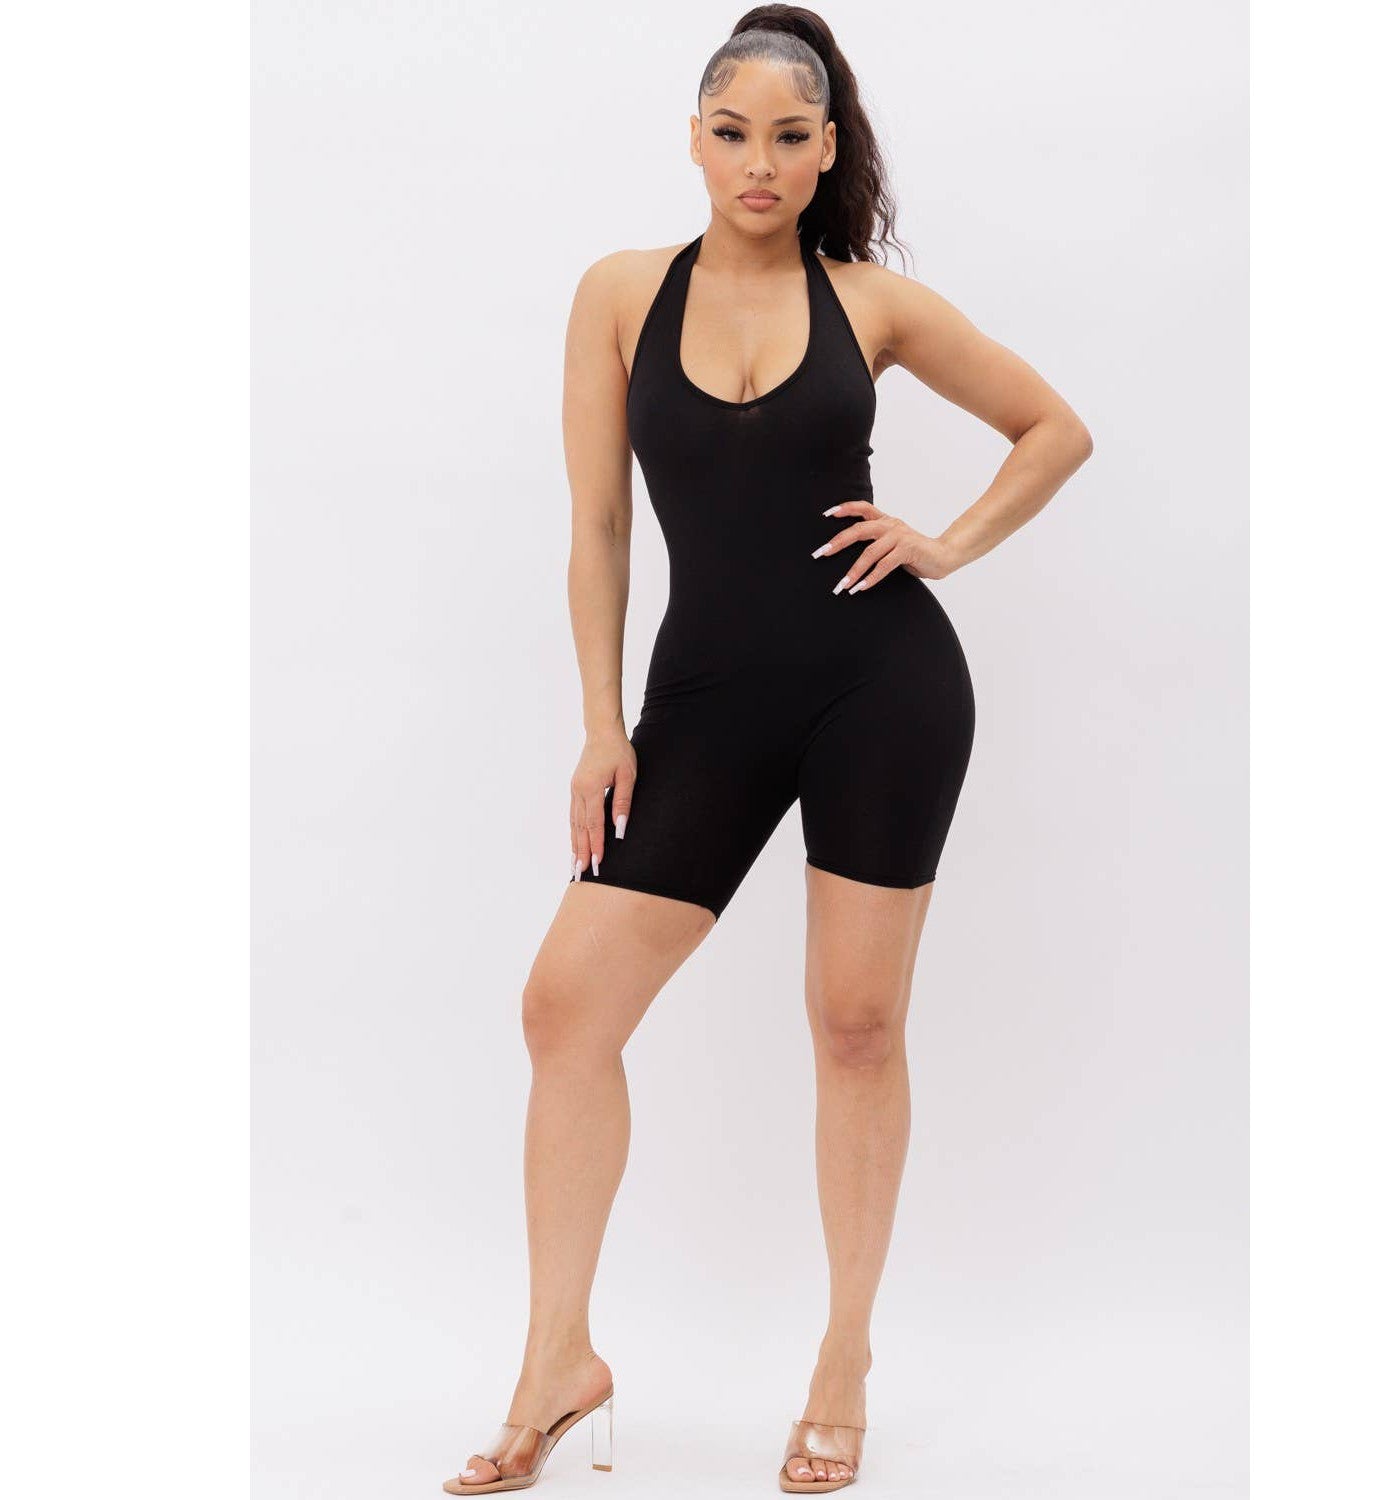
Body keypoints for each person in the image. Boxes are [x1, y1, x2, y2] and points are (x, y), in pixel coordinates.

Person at [443, 7, 1092, 1494]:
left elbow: (1053, 429)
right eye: (732, 132)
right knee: (565, 1011)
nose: (759, 161)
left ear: (826, 148)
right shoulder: (620, 292)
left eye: (791, 137)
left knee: (855, 1026)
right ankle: (558, 1359)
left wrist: (946, 544)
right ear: (694, 138)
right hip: (704, 704)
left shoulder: (873, 303)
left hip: (884, 687)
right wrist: (603, 725)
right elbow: (598, 525)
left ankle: (842, 1359)